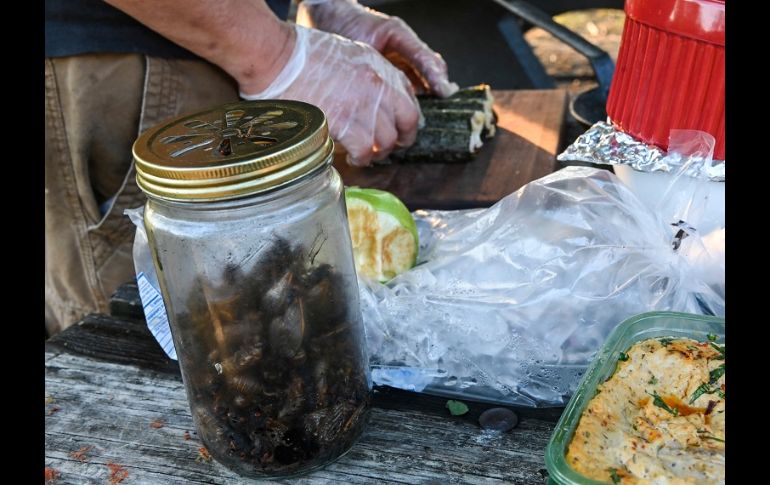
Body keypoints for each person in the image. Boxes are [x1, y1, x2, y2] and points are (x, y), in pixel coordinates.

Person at [45, 0, 458, 335]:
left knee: (262, 322)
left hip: (219, 38)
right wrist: (274, 52)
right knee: (148, 340)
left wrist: (316, 5)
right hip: (129, 54)